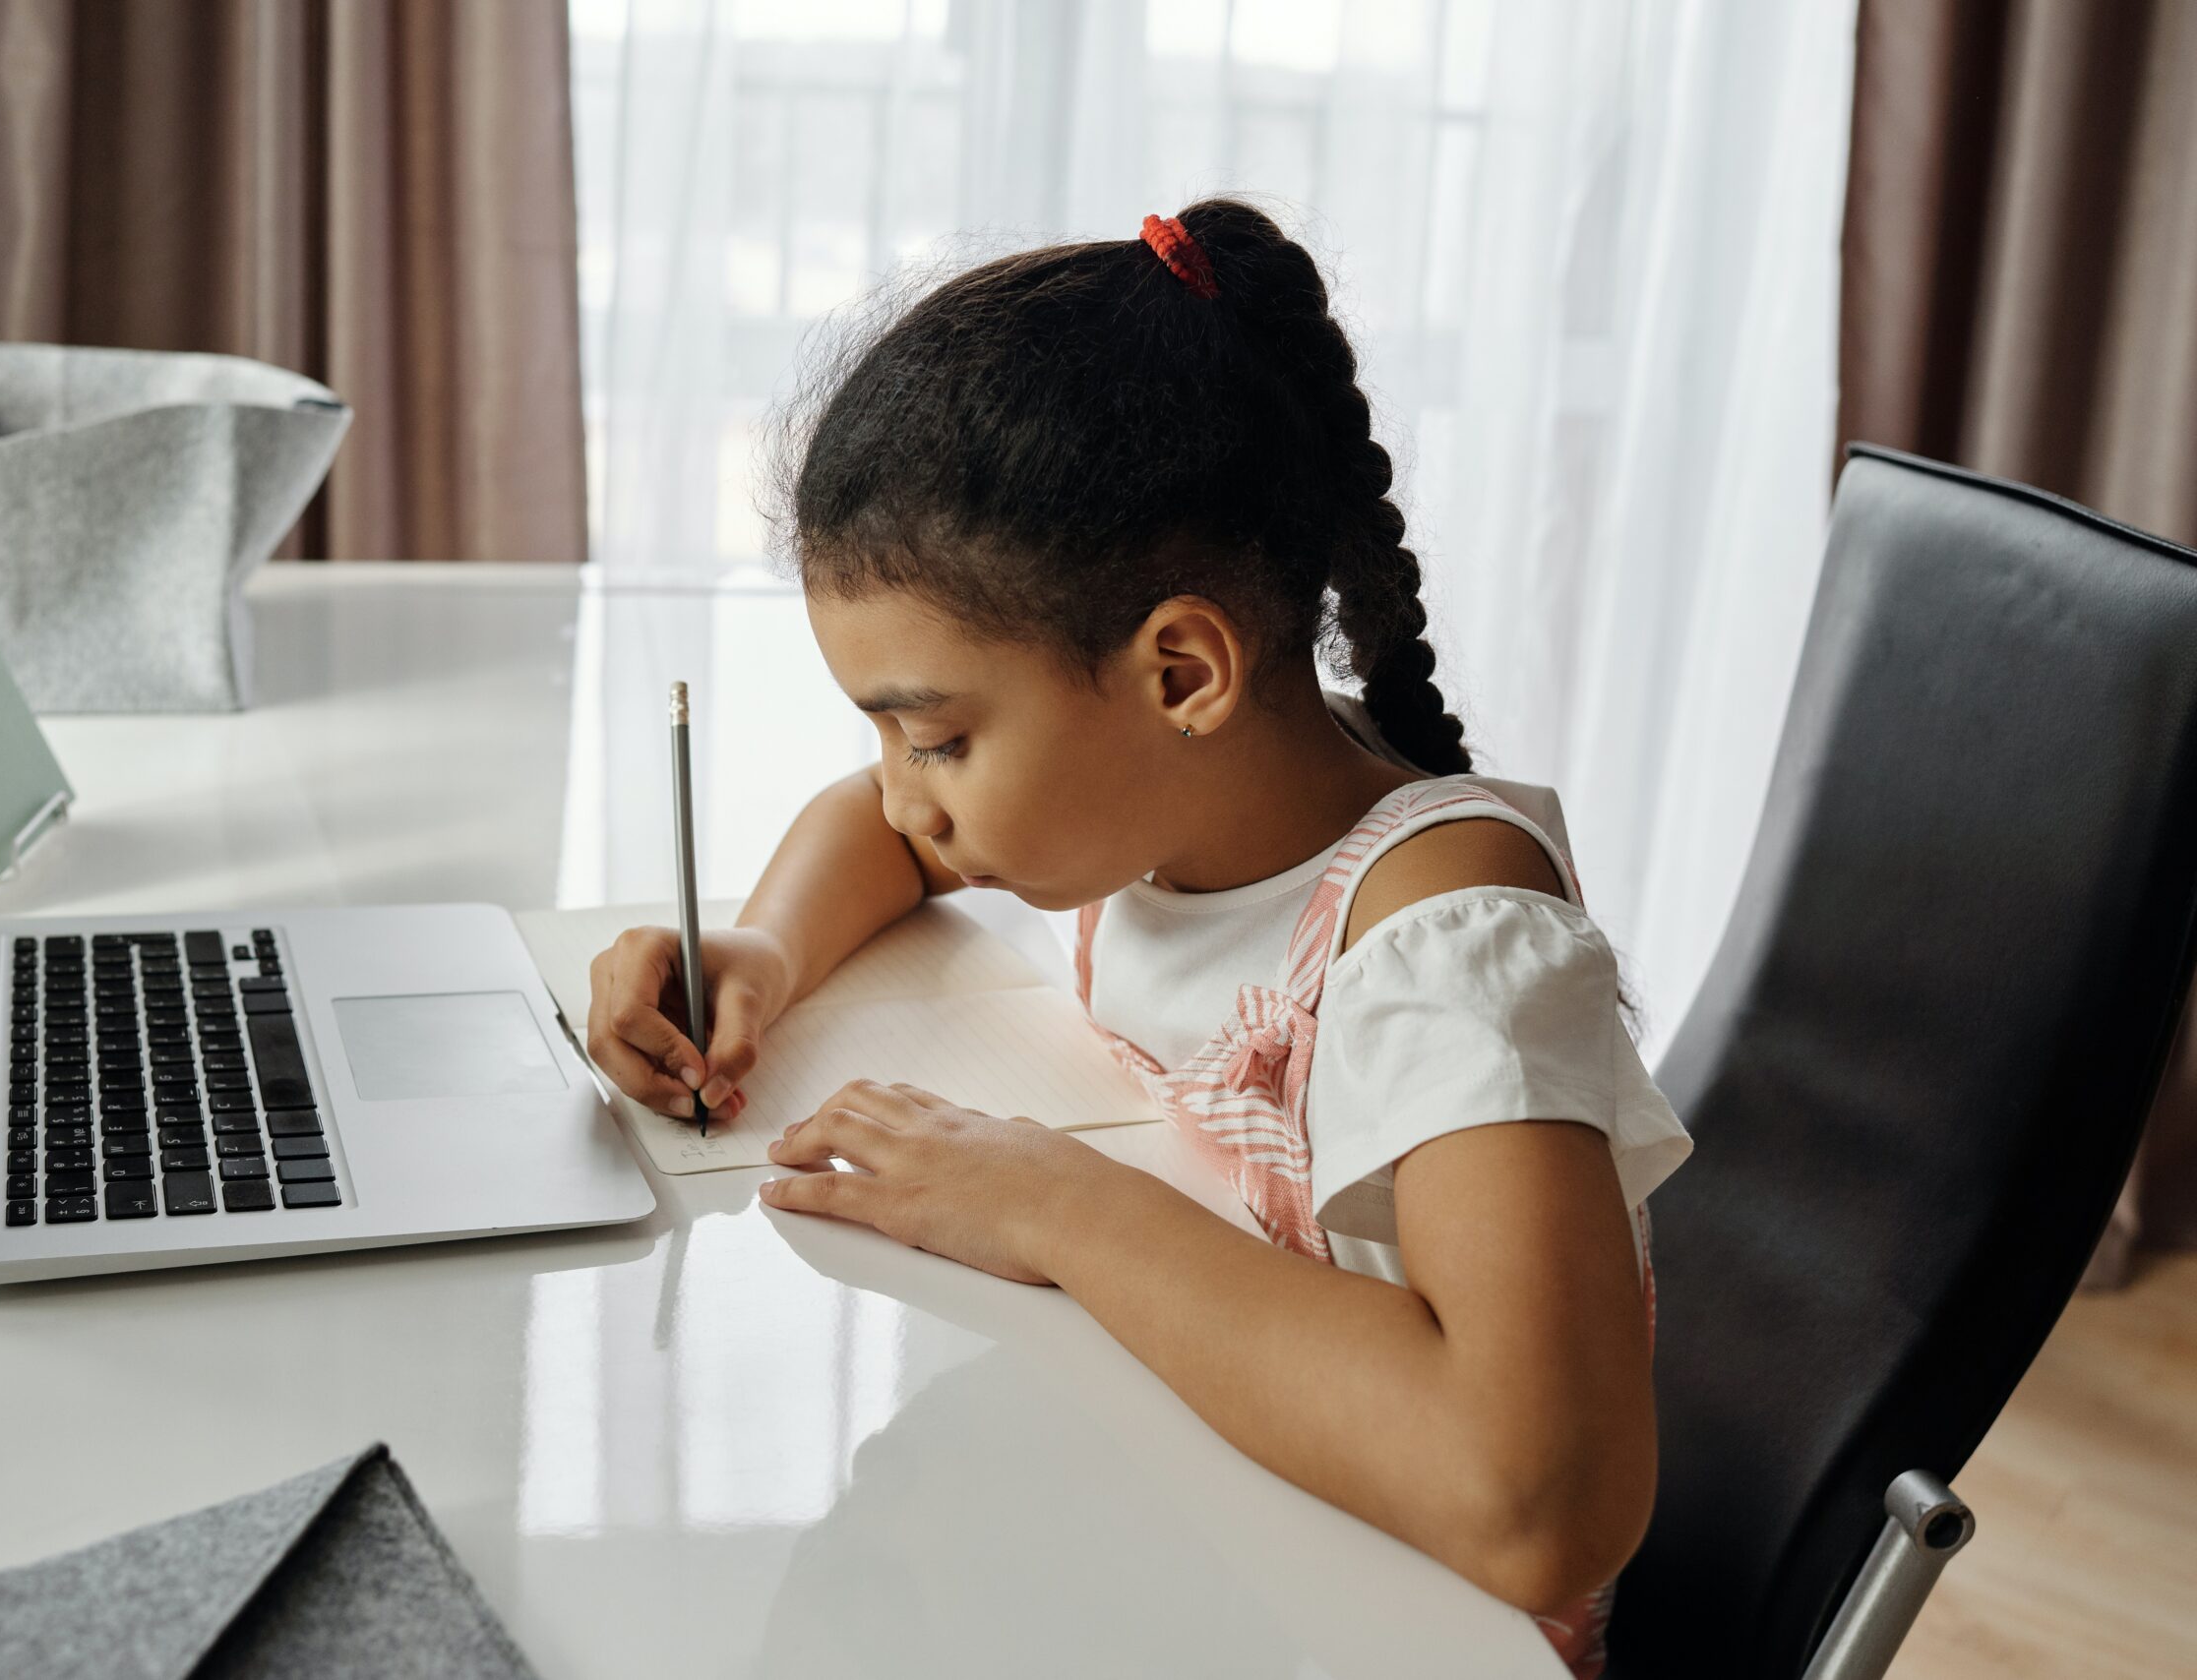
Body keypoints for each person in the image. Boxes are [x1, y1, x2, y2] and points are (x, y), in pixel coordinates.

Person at [581, 200, 1692, 1676]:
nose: (910, 795)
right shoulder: (1167, 802)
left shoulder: (1443, 954)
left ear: (1181, 670)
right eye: (894, 737)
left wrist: (1060, 1207)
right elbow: (881, 829)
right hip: (1201, 1508)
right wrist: (763, 954)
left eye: (941, 738)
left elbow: (1542, 1505)